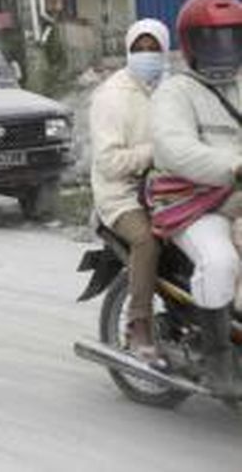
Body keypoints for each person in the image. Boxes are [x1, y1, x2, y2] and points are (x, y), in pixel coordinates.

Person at [151, 0, 242, 397]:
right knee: (220, 262)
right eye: (211, 39)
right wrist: (232, 165)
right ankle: (217, 357)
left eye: (231, 38)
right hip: (191, 201)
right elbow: (175, 149)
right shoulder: (175, 93)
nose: (223, 50)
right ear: (190, 44)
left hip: (236, 196)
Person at [89, 18, 170, 362]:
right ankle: (139, 324)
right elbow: (108, 163)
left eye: (154, 49)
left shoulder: (173, 88)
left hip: (171, 188)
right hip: (121, 194)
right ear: (128, 51)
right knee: (146, 240)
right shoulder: (111, 96)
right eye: (140, 49)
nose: (147, 55)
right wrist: (154, 152)